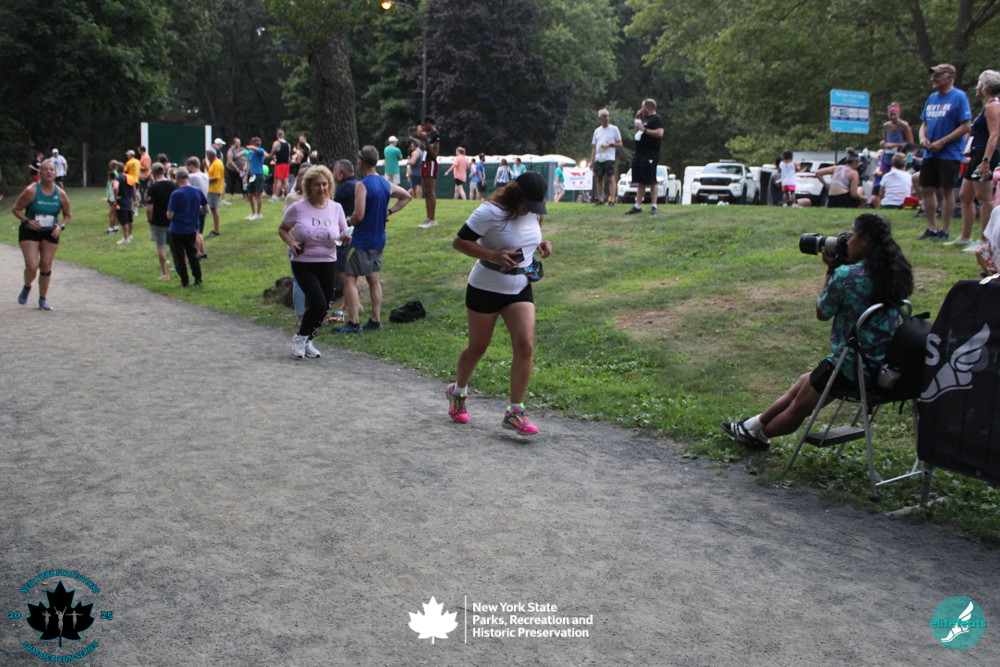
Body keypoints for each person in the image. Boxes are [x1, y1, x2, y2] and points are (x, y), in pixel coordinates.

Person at [722, 213, 914, 450]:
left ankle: (758, 435)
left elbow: (822, 312)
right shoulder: (896, 272)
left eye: (851, 235)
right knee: (805, 381)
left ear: (864, 239)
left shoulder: (847, 276)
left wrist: (832, 269)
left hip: (851, 367)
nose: (848, 241)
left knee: (799, 408)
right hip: (882, 364)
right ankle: (751, 425)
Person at [445, 171, 553, 436]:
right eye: (527, 203)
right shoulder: (489, 211)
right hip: (486, 287)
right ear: (515, 193)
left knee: (525, 346)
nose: (530, 209)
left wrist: (540, 244)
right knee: (478, 347)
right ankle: (458, 392)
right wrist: (492, 255)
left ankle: (514, 413)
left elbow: (524, 236)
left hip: (519, 287)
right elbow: (459, 242)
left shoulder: (533, 211)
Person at [333, 146, 412, 334]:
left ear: (361, 162)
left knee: (349, 278)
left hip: (362, 239)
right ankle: (375, 320)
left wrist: (347, 222)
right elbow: (406, 196)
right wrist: (389, 211)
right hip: (379, 238)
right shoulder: (385, 183)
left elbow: (359, 215)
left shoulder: (362, 185)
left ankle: (354, 322)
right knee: (374, 279)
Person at [278, 165, 349, 359]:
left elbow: (343, 233)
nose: (321, 188)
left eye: (325, 184)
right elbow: (282, 229)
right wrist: (291, 242)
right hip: (304, 262)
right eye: (317, 184)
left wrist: (345, 238)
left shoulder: (336, 208)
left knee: (324, 306)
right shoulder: (298, 208)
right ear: (308, 186)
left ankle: (308, 340)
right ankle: (300, 338)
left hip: (328, 261)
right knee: (317, 302)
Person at [918, 63, 973, 242]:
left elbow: (965, 126)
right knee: (926, 188)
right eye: (933, 75)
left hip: (949, 152)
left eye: (937, 75)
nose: (933, 79)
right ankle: (931, 227)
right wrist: (923, 138)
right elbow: (924, 123)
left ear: (949, 77)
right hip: (930, 152)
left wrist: (942, 142)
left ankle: (945, 229)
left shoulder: (959, 97)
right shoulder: (932, 98)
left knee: (947, 190)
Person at [12, 158, 71, 310]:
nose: (48, 172)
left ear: (55, 173)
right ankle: (27, 286)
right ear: (40, 173)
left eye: (51, 170)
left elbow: (67, 215)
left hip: (50, 232)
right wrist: (27, 221)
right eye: (45, 170)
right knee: (32, 266)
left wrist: (60, 227)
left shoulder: (61, 193)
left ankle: (43, 299)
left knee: (45, 265)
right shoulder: (31, 190)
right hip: (30, 232)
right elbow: (16, 209)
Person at [955, 70, 1000, 246]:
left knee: (984, 198)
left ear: (985, 88)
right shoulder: (986, 106)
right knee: (965, 195)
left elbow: (994, 135)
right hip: (976, 154)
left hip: (984, 156)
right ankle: (965, 237)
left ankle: (984, 240)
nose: (976, 87)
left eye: (979, 84)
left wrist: (986, 161)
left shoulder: (992, 107)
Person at [166, 167, 208, 288]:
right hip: (192, 227)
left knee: (179, 256)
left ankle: (184, 281)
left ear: (177, 178)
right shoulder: (197, 191)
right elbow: (206, 209)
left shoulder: (175, 194)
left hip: (177, 229)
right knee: (192, 254)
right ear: (188, 177)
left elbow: (170, 215)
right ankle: (198, 278)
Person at [626, 98, 665, 215]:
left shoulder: (657, 119)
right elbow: (636, 128)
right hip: (639, 154)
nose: (641, 109)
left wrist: (644, 129)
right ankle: (637, 205)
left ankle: (654, 205)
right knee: (640, 181)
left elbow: (660, 133)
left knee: (652, 180)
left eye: (642, 106)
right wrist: (637, 116)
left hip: (650, 154)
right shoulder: (645, 119)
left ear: (648, 107)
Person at [145, 162, 177, 280]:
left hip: (158, 221)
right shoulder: (173, 185)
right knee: (175, 246)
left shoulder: (153, 188)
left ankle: (164, 273)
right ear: (164, 171)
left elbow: (149, 208)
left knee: (161, 246)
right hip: (172, 219)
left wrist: (150, 219)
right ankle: (178, 268)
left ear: (153, 173)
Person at [590, 108, 623, 206]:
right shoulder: (597, 131)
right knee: (599, 177)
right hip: (599, 157)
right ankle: (600, 199)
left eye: (607, 116)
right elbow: (594, 147)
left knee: (610, 177)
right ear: (600, 118)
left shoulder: (614, 129)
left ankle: (612, 199)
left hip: (609, 157)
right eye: (604, 116)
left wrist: (611, 145)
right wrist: (592, 161)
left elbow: (620, 143)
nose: (606, 118)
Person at [418, 117, 441, 228]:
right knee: (426, 191)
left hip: (431, 163)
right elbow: (426, 149)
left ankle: (432, 219)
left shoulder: (436, 135)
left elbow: (435, 154)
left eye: (424, 125)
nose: (423, 127)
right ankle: (428, 218)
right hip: (425, 162)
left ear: (429, 123)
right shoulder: (429, 135)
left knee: (431, 191)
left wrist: (426, 141)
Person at [186, 156, 210, 259]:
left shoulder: (192, 177)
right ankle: (202, 252)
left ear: (191, 166)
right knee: (199, 231)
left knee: (194, 232)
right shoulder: (206, 175)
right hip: (203, 205)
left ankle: (196, 253)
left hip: (194, 207)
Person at [112, 161, 137, 244]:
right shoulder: (130, 177)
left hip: (121, 202)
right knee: (130, 220)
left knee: (123, 221)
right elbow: (134, 189)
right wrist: (135, 200)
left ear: (117, 169)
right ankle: (129, 235)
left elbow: (115, 187)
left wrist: (116, 198)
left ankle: (126, 238)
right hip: (129, 202)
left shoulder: (117, 179)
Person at [245, 137, 267, 220]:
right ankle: (253, 212)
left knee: (258, 194)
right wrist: (246, 175)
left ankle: (259, 213)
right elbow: (249, 164)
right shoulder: (250, 153)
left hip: (259, 174)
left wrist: (251, 147)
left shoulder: (260, 151)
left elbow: (259, 151)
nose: (258, 144)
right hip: (252, 175)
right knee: (250, 194)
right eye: (256, 143)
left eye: (259, 143)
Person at [205, 148, 225, 238]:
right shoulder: (214, 163)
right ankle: (215, 229)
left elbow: (216, 178)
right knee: (213, 208)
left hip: (214, 189)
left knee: (214, 209)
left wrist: (205, 179)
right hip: (213, 189)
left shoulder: (217, 164)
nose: (207, 157)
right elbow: (211, 173)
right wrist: (206, 166)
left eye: (207, 156)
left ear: (210, 155)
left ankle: (216, 230)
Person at [270, 129, 292, 201]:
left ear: (277, 135)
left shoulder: (277, 143)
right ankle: (286, 195)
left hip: (279, 164)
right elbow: (289, 155)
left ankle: (275, 196)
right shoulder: (288, 144)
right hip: (286, 164)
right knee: (286, 180)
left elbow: (272, 153)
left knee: (278, 180)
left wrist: (272, 158)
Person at [225, 137, 246, 204]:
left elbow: (245, 157)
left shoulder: (242, 149)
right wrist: (237, 169)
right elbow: (230, 160)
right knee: (233, 181)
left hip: (241, 169)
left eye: (239, 142)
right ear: (234, 143)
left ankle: (244, 194)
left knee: (242, 181)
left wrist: (244, 166)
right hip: (232, 169)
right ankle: (232, 195)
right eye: (237, 142)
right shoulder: (231, 150)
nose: (238, 143)